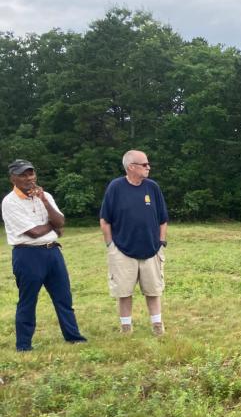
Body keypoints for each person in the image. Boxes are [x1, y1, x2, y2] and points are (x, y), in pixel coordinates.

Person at [2, 159, 87, 352]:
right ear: (13, 178)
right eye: (23, 175)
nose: (28, 178)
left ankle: (73, 337)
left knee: (63, 298)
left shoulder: (45, 195)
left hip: (53, 252)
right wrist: (54, 228)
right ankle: (24, 345)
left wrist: (45, 201)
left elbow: (61, 220)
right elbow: (33, 232)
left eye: (30, 173)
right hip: (27, 255)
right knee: (28, 300)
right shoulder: (10, 202)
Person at [99, 150, 169, 336]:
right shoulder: (115, 187)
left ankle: (157, 326)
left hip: (152, 249)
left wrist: (161, 242)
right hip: (122, 250)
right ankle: (126, 328)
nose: (149, 167)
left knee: (154, 291)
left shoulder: (152, 187)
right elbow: (105, 220)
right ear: (131, 167)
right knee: (124, 292)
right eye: (144, 164)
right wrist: (111, 246)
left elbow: (163, 219)